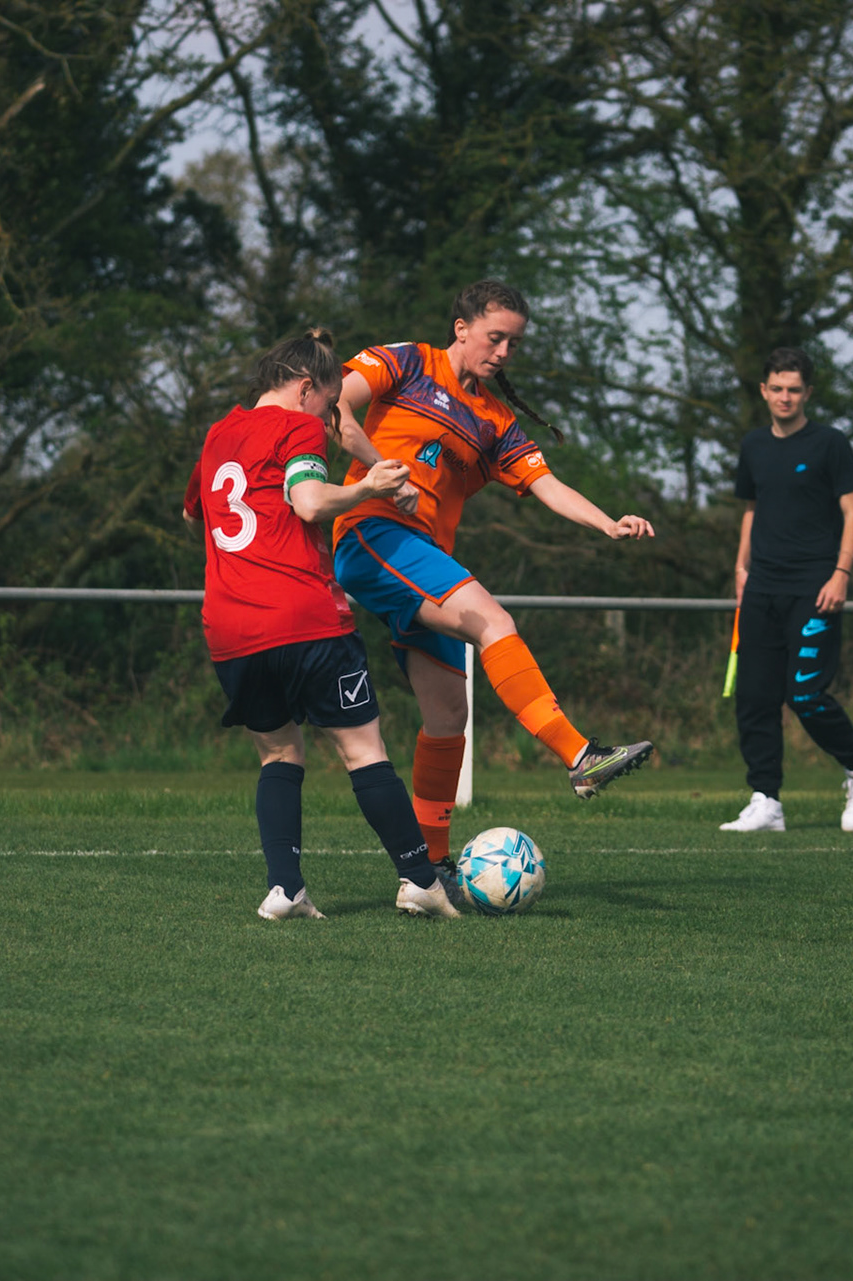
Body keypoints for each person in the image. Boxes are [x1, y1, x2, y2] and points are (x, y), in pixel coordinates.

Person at [328, 279, 656, 875]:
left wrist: (608, 523)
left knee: (448, 715)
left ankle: (427, 873)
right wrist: (383, 475)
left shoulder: (496, 420)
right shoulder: (408, 362)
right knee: (493, 621)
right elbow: (335, 406)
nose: (503, 352)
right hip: (372, 532)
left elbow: (547, 485)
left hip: (421, 556)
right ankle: (580, 756)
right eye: (494, 337)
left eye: (514, 344)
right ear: (461, 328)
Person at [183, 328, 460, 919]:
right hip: (303, 616)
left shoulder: (218, 433)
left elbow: (193, 513)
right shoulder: (298, 426)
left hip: (230, 627)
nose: (330, 419)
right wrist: (366, 487)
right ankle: (420, 881)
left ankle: (286, 889)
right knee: (363, 751)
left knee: (279, 755)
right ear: (306, 388)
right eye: (331, 404)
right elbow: (308, 501)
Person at [721, 346, 853, 833]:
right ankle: (766, 801)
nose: (785, 397)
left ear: (807, 393)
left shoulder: (829, 444)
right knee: (754, 698)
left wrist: (841, 573)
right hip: (761, 587)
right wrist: (740, 567)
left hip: (815, 586)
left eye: (794, 389)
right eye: (777, 388)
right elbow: (752, 509)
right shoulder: (754, 445)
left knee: (805, 694)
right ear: (763, 390)